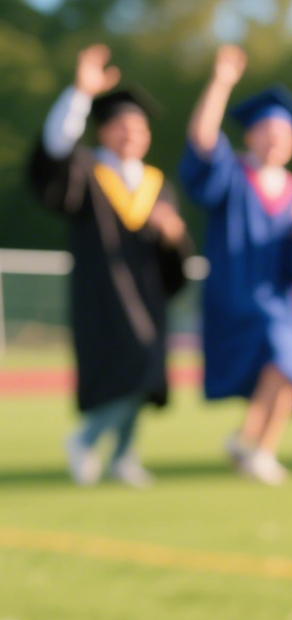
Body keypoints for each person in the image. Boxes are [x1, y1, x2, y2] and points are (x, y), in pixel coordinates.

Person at [30, 46, 191, 488]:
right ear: (102, 131)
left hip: (147, 295)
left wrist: (173, 235)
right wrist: (80, 94)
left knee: (145, 373)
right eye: (122, 126)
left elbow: (176, 257)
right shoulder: (86, 171)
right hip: (101, 297)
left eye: (139, 128)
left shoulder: (157, 185)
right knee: (130, 370)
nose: (132, 134)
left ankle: (122, 455)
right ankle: (87, 440)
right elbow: (55, 148)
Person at [180, 48, 292, 485]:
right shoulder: (233, 174)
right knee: (283, 365)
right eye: (265, 130)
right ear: (249, 136)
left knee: (290, 367)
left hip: (278, 298)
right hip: (235, 293)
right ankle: (253, 444)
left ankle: (257, 445)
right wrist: (221, 82)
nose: (274, 139)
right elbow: (203, 142)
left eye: (282, 133)